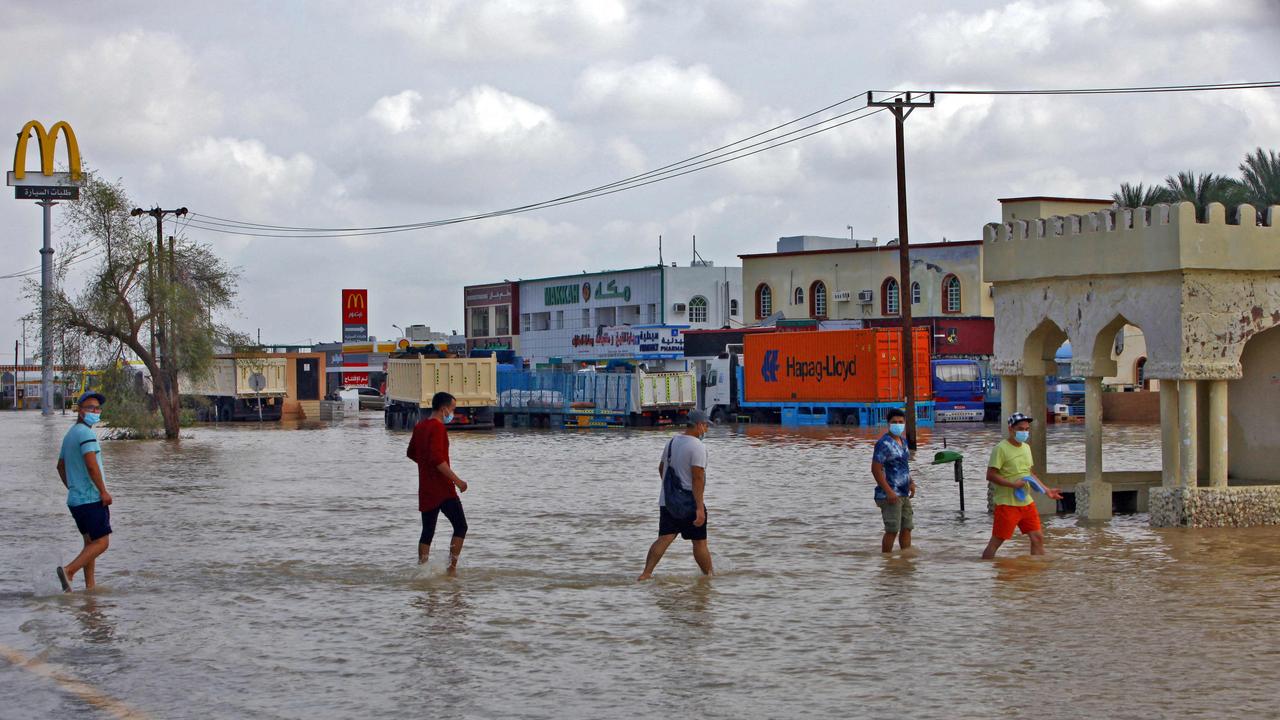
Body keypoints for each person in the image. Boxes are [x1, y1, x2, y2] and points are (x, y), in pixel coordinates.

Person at [637, 409, 713, 581]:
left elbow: (661, 468)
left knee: (664, 538)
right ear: (699, 425)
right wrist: (699, 508)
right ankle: (709, 577)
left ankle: (646, 573)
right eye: (706, 425)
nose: (706, 429)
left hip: (668, 502)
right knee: (699, 542)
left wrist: (671, 493)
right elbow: (698, 477)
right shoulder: (698, 447)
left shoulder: (672, 442)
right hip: (689, 503)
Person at [982, 412, 1064, 559]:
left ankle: (1036, 573)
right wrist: (1013, 485)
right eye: (1021, 429)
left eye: (1027, 429)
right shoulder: (1000, 448)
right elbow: (991, 475)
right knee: (996, 542)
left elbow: (1030, 473)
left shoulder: (1026, 448)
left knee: (1037, 537)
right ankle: (987, 570)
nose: (1024, 432)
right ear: (1011, 429)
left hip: (1026, 502)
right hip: (1007, 504)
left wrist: (1047, 491)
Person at [55, 391, 112, 592]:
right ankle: (69, 571)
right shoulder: (86, 434)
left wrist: (72, 486)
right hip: (90, 498)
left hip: (76, 500)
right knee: (102, 542)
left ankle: (90, 587)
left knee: (90, 543)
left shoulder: (71, 434)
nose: (95, 411)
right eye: (90, 408)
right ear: (80, 411)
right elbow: (91, 466)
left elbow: (60, 466)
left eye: (97, 408)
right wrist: (103, 491)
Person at [407, 391, 469, 574]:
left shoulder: (420, 427)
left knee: (427, 530)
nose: (453, 413)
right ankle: (451, 569)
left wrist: (426, 467)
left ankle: (422, 569)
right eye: (452, 409)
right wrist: (458, 481)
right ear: (443, 409)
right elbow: (437, 459)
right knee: (461, 526)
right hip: (443, 488)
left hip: (426, 487)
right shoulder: (438, 428)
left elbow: (411, 453)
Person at [871, 408, 915, 553]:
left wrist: (911, 482)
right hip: (889, 495)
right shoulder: (884, 443)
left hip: (903, 492)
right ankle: (887, 560)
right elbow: (876, 470)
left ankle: (905, 558)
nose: (898, 424)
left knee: (907, 527)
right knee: (892, 530)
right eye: (894, 422)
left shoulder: (903, 441)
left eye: (900, 422)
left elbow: (904, 466)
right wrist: (888, 491)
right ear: (888, 424)